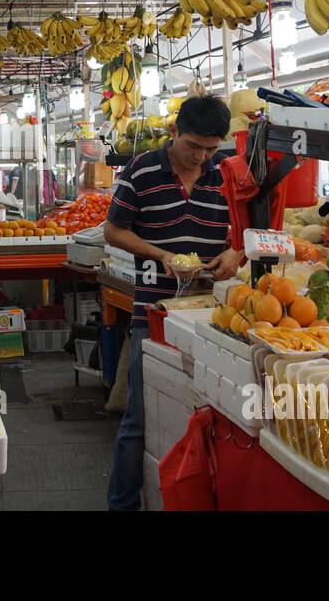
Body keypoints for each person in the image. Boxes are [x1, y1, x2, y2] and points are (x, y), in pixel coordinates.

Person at [103, 95, 244, 511]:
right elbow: (114, 230)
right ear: (173, 133)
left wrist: (235, 253)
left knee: (210, 418)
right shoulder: (141, 170)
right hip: (155, 312)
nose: (200, 157)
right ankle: (123, 505)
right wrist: (162, 256)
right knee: (139, 419)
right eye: (192, 147)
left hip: (212, 314)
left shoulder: (225, 173)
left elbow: (246, 230)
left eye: (210, 149)